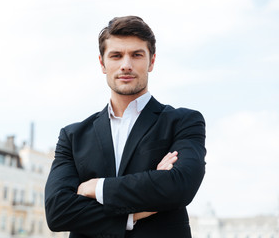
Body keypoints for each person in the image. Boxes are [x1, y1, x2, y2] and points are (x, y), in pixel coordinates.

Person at [45, 15, 206, 238]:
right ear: (102, 64)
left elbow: (180, 185)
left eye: (137, 55)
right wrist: (138, 208)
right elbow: (58, 212)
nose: (126, 65)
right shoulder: (73, 136)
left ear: (151, 61)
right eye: (116, 55)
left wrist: (97, 188)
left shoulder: (183, 122)